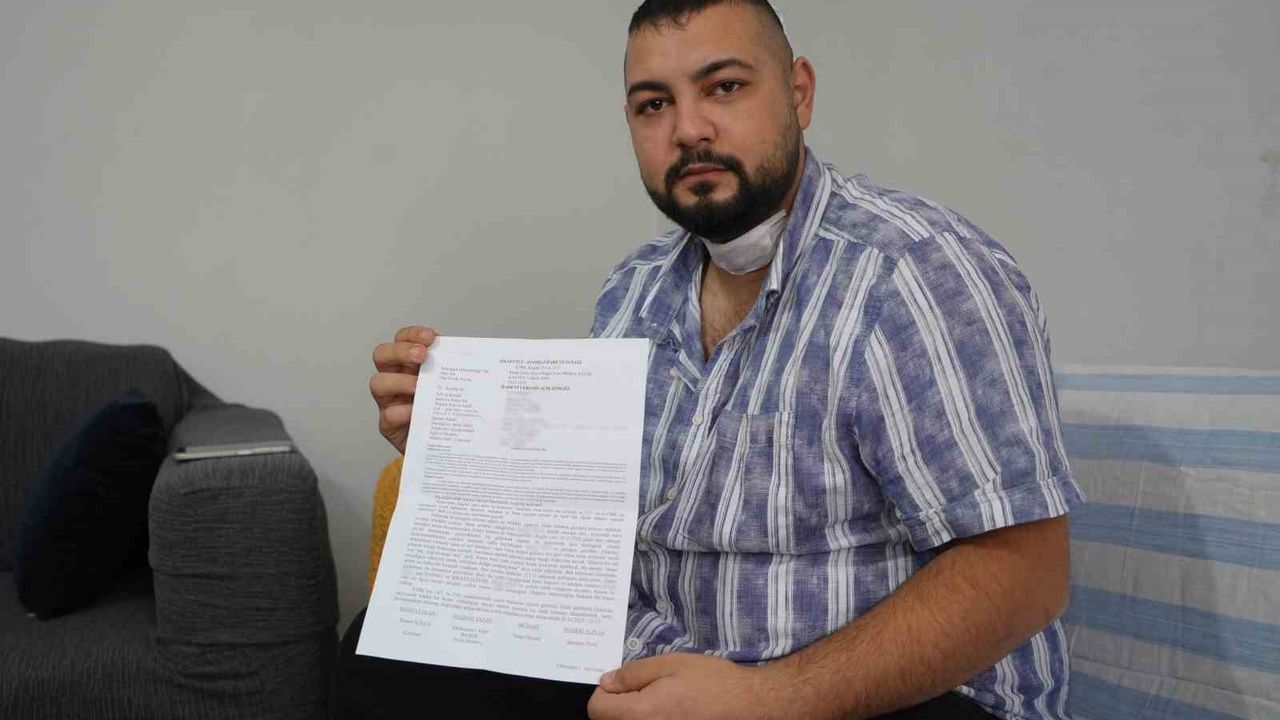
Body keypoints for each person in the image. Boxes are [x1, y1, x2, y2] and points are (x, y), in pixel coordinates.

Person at [349, 1, 1085, 718]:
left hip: (873, 695)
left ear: (799, 92)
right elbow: (588, 525)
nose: (689, 129)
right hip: (664, 667)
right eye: (653, 104)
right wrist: (462, 453)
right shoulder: (633, 291)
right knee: (378, 656)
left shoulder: (915, 275)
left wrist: (768, 700)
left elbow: (1026, 573)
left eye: (724, 87)